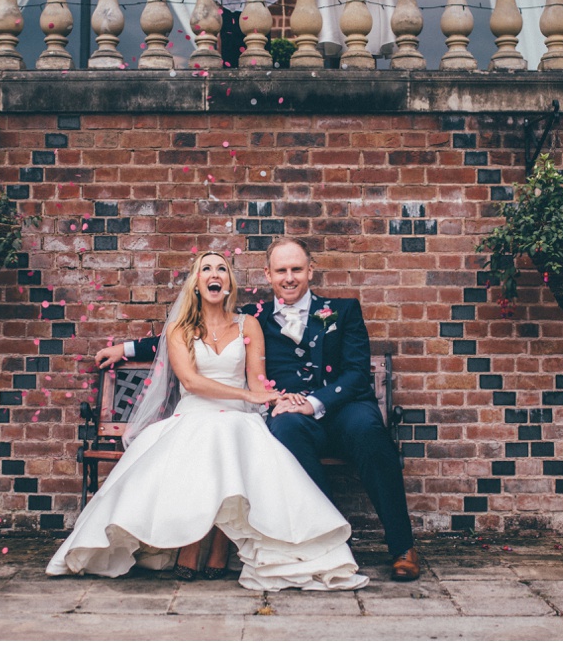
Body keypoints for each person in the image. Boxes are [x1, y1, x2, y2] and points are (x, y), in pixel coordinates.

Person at [96, 238, 420, 581]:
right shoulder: (254, 317)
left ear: (311, 271)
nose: (289, 277)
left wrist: (312, 403)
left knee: (369, 432)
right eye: (281, 271)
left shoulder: (343, 310)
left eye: (297, 269)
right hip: (288, 413)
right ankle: (328, 543)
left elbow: (356, 375)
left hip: (343, 408)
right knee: (284, 432)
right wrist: (127, 348)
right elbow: (195, 328)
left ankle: (402, 547)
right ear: (268, 274)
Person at [49, 251, 369, 591]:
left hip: (236, 417)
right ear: (197, 283)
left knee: (229, 432)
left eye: (222, 269)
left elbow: (258, 381)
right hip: (195, 412)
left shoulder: (249, 324)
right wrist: (248, 396)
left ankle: (216, 545)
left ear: (229, 283)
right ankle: (195, 541)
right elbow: (190, 382)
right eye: (206, 269)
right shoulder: (179, 329)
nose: (214, 274)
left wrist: (278, 397)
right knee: (208, 435)